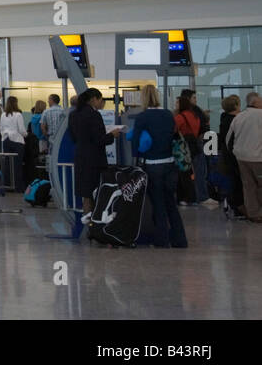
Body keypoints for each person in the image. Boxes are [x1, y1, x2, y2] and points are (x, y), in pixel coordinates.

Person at [125, 83, 187, 248]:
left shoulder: (143, 117)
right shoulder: (168, 114)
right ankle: (180, 240)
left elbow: (136, 143)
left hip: (153, 165)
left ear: (143, 98)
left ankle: (161, 239)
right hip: (170, 164)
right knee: (171, 204)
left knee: (158, 204)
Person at [68, 88, 124, 214]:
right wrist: (112, 135)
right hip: (95, 160)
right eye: (100, 100)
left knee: (86, 196)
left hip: (81, 158)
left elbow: (73, 137)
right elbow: (100, 139)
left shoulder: (73, 115)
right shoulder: (94, 115)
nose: (101, 103)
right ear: (94, 99)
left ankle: (87, 224)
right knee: (97, 194)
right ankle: (96, 225)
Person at [225, 91, 262, 222]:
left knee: (248, 186)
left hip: (241, 158)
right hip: (258, 158)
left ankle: (254, 214)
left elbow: (228, 139)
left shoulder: (239, 117)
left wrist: (235, 152)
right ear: (255, 103)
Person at [174, 90, 211, 206]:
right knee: (199, 172)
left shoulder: (180, 117)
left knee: (185, 173)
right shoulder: (196, 115)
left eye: (177, 103)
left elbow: (173, 130)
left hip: (183, 147)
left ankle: (187, 197)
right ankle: (200, 196)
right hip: (196, 144)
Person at [219, 95, 246, 219]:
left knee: (233, 181)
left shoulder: (224, 119)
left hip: (227, 156)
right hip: (235, 155)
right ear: (235, 106)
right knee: (238, 182)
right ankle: (238, 207)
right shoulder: (235, 120)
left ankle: (233, 204)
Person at [0, 96, 28, 192]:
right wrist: (26, 135)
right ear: (16, 103)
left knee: (7, 164)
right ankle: (18, 187)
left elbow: (1, 129)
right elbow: (21, 130)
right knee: (17, 165)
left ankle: (7, 185)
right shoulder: (18, 115)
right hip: (17, 141)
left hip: (6, 140)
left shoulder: (3, 115)